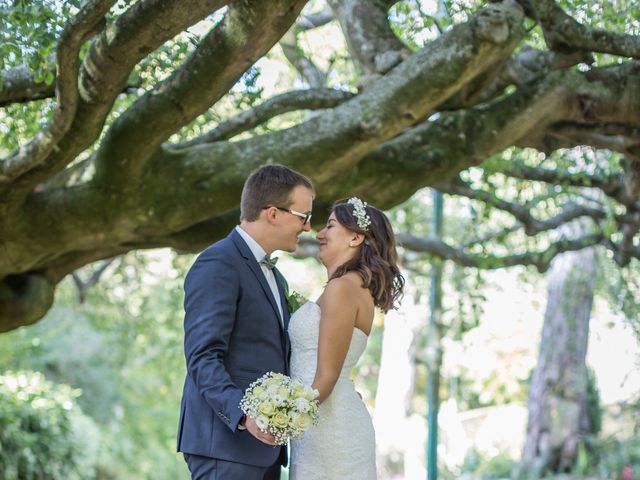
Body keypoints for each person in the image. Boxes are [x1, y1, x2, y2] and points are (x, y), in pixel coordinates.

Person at [177, 164, 314, 480]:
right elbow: (202, 356)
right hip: (225, 445)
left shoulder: (276, 277)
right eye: (303, 216)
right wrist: (244, 414)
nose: (307, 227)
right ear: (273, 213)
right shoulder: (218, 262)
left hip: (266, 448)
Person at [288, 197, 405, 479]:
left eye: (329, 226)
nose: (319, 234)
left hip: (329, 430)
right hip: (323, 423)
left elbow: (327, 377)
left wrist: (278, 417)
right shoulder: (350, 287)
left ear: (355, 237)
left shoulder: (343, 288)